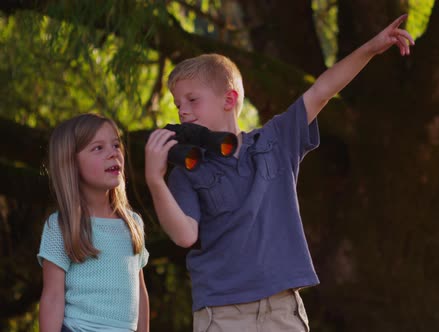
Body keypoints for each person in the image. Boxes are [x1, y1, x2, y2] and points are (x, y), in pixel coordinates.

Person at [144, 14, 414, 331]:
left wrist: (371, 47)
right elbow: (185, 235)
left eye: (192, 100)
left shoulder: (273, 142)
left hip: (281, 310)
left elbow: (321, 91)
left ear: (229, 100)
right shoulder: (186, 170)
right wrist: (153, 179)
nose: (182, 110)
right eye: (177, 104)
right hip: (222, 312)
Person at [38, 114, 150, 332]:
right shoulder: (61, 226)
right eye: (98, 148)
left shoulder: (133, 223)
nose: (113, 153)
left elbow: (140, 293)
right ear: (71, 163)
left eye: (116, 144)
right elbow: (52, 298)